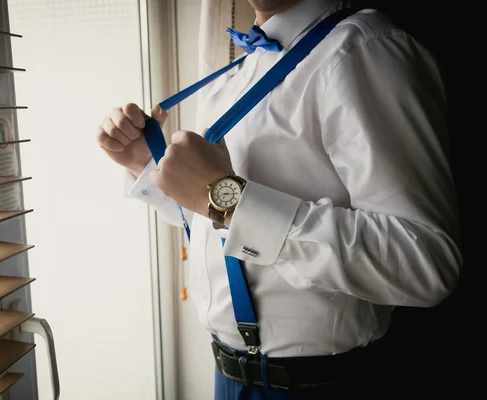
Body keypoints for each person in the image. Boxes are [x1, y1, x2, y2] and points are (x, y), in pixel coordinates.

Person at [95, 0, 461, 398]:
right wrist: (144, 165)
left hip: (320, 384)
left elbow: (426, 261)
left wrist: (226, 198)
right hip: (229, 379)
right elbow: (222, 224)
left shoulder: (364, 49)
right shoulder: (235, 74)